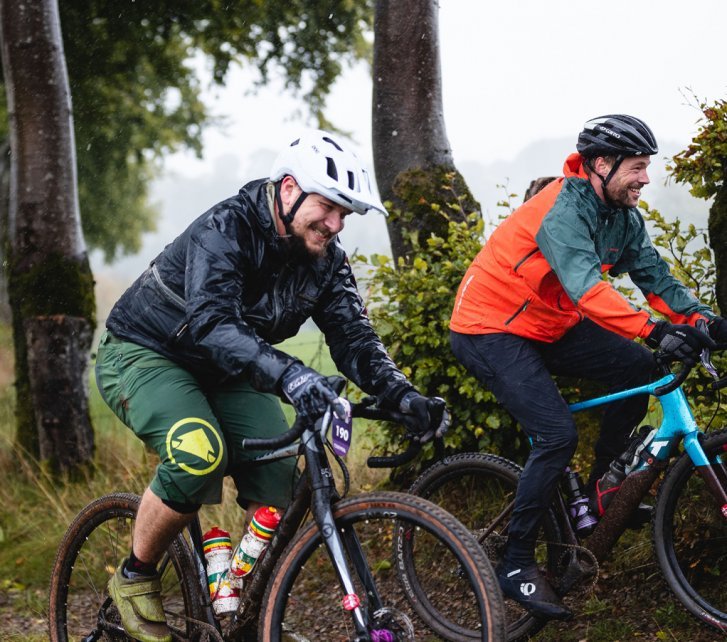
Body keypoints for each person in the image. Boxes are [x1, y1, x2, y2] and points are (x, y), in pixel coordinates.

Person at [95, 129, 450, 642]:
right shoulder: (227, 229)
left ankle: (237, 602)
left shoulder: (325, 261)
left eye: (344, 215)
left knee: (283, 486)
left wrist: (402, 394)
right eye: (328, 207)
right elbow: (212, 324)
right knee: (198, 453)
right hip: (146, 352)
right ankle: (135, 575)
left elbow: (354, 339)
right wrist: (290, 374)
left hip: (229, 370)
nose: (335, 224)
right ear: (288, 189)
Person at [449, 114, 727, 620]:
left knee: (641, 371)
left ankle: (600, 493)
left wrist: (704, 322)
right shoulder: (563, 208)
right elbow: (586, 288)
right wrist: (656, 330)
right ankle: (514, 563)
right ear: (602, 164)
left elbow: (655, 278)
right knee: (556, 434)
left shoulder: (623, 215)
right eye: (638, 167)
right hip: (488, 327)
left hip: (549, 323)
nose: (646, 178)